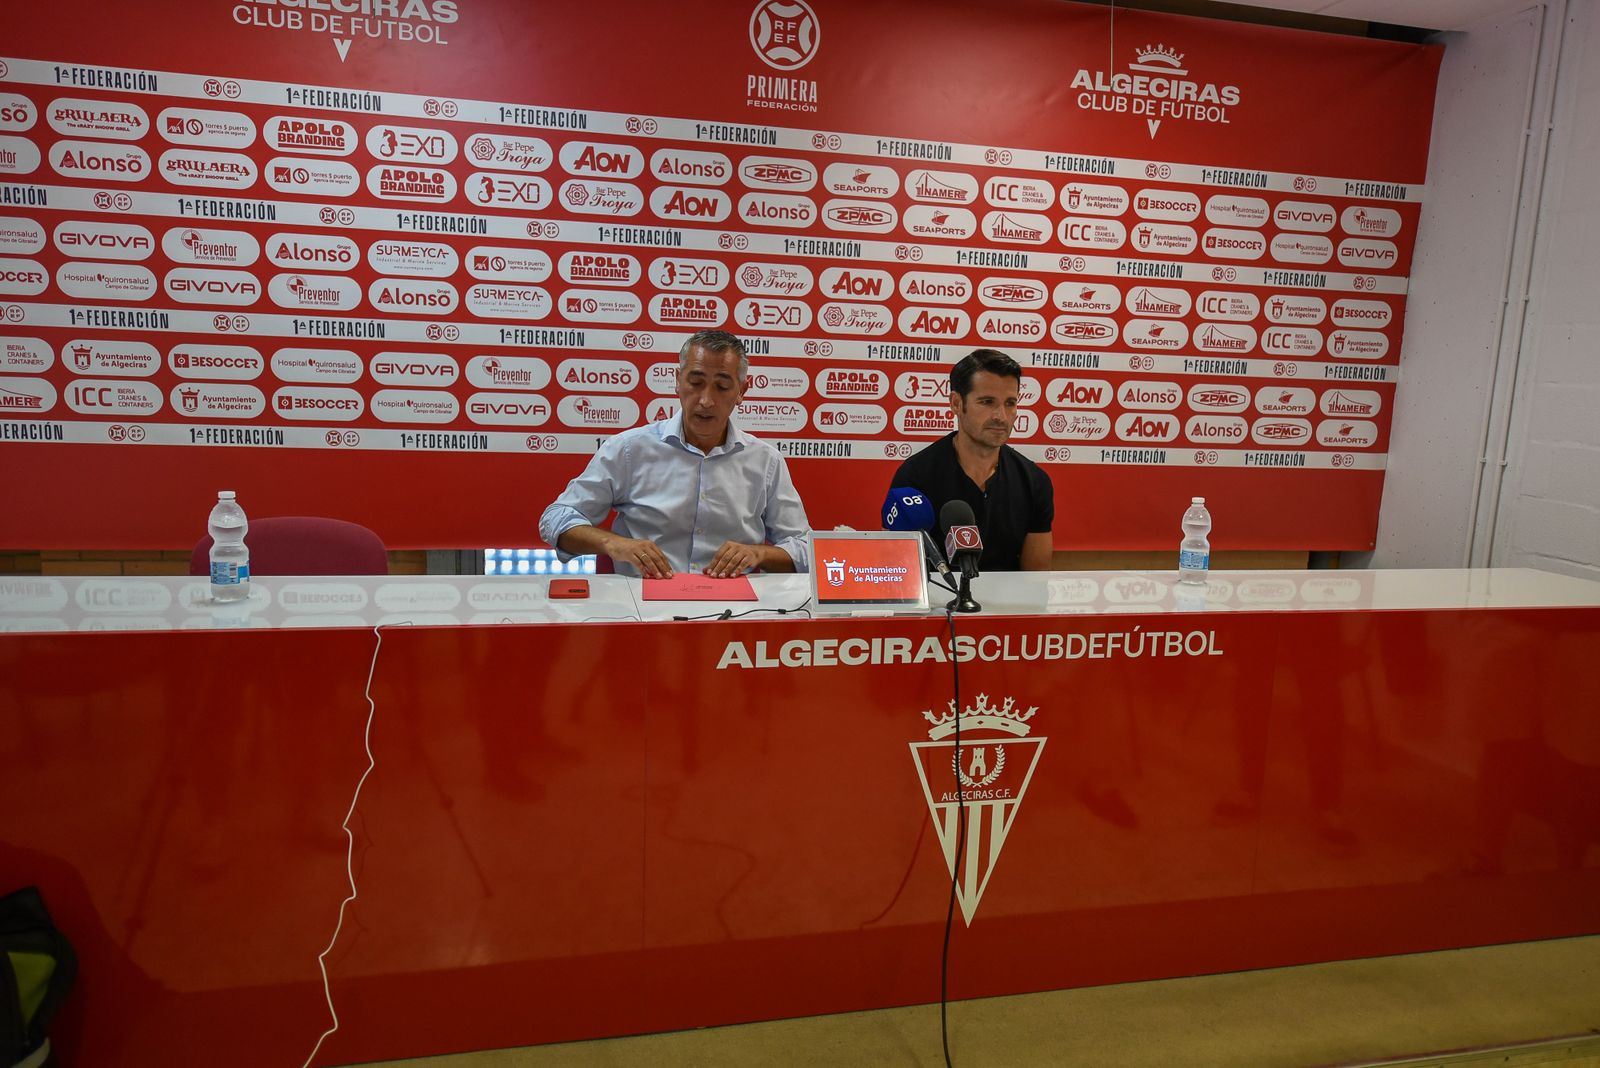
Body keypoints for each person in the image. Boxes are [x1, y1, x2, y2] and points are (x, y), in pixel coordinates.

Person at [539, 329, 811, 577]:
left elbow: (803, 547)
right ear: (677, 382)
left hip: (738, 613)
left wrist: (759, 553)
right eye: (695, 382)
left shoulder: (765, 461)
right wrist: (613, 543)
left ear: (742, 391)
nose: (706, 400)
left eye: (722, 386)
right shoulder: (629, 449)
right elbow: (556, 519)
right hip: (643, 611)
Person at [889, 348, 1054, 571]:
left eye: (1010, 403)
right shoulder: (915, 477)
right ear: (956, 403)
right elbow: (898, 571)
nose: (1001, 416)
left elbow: (1035, 579)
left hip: (1010, 604)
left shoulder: (1034, 481)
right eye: (987, 402)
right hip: (939, 603)